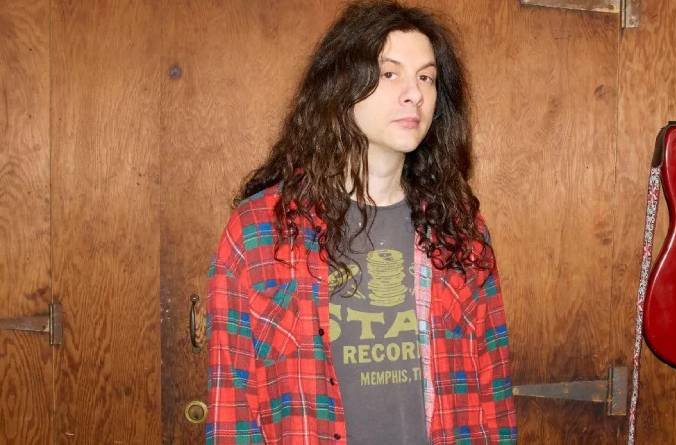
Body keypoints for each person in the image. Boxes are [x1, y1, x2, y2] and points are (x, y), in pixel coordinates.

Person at [205, 1, 517, 443]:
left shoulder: (460, 228)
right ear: (342, 86)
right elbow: (233, 409)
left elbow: (494, 393)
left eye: (426, 77)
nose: (414, 94)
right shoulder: (259, 231)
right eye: (390, 73)